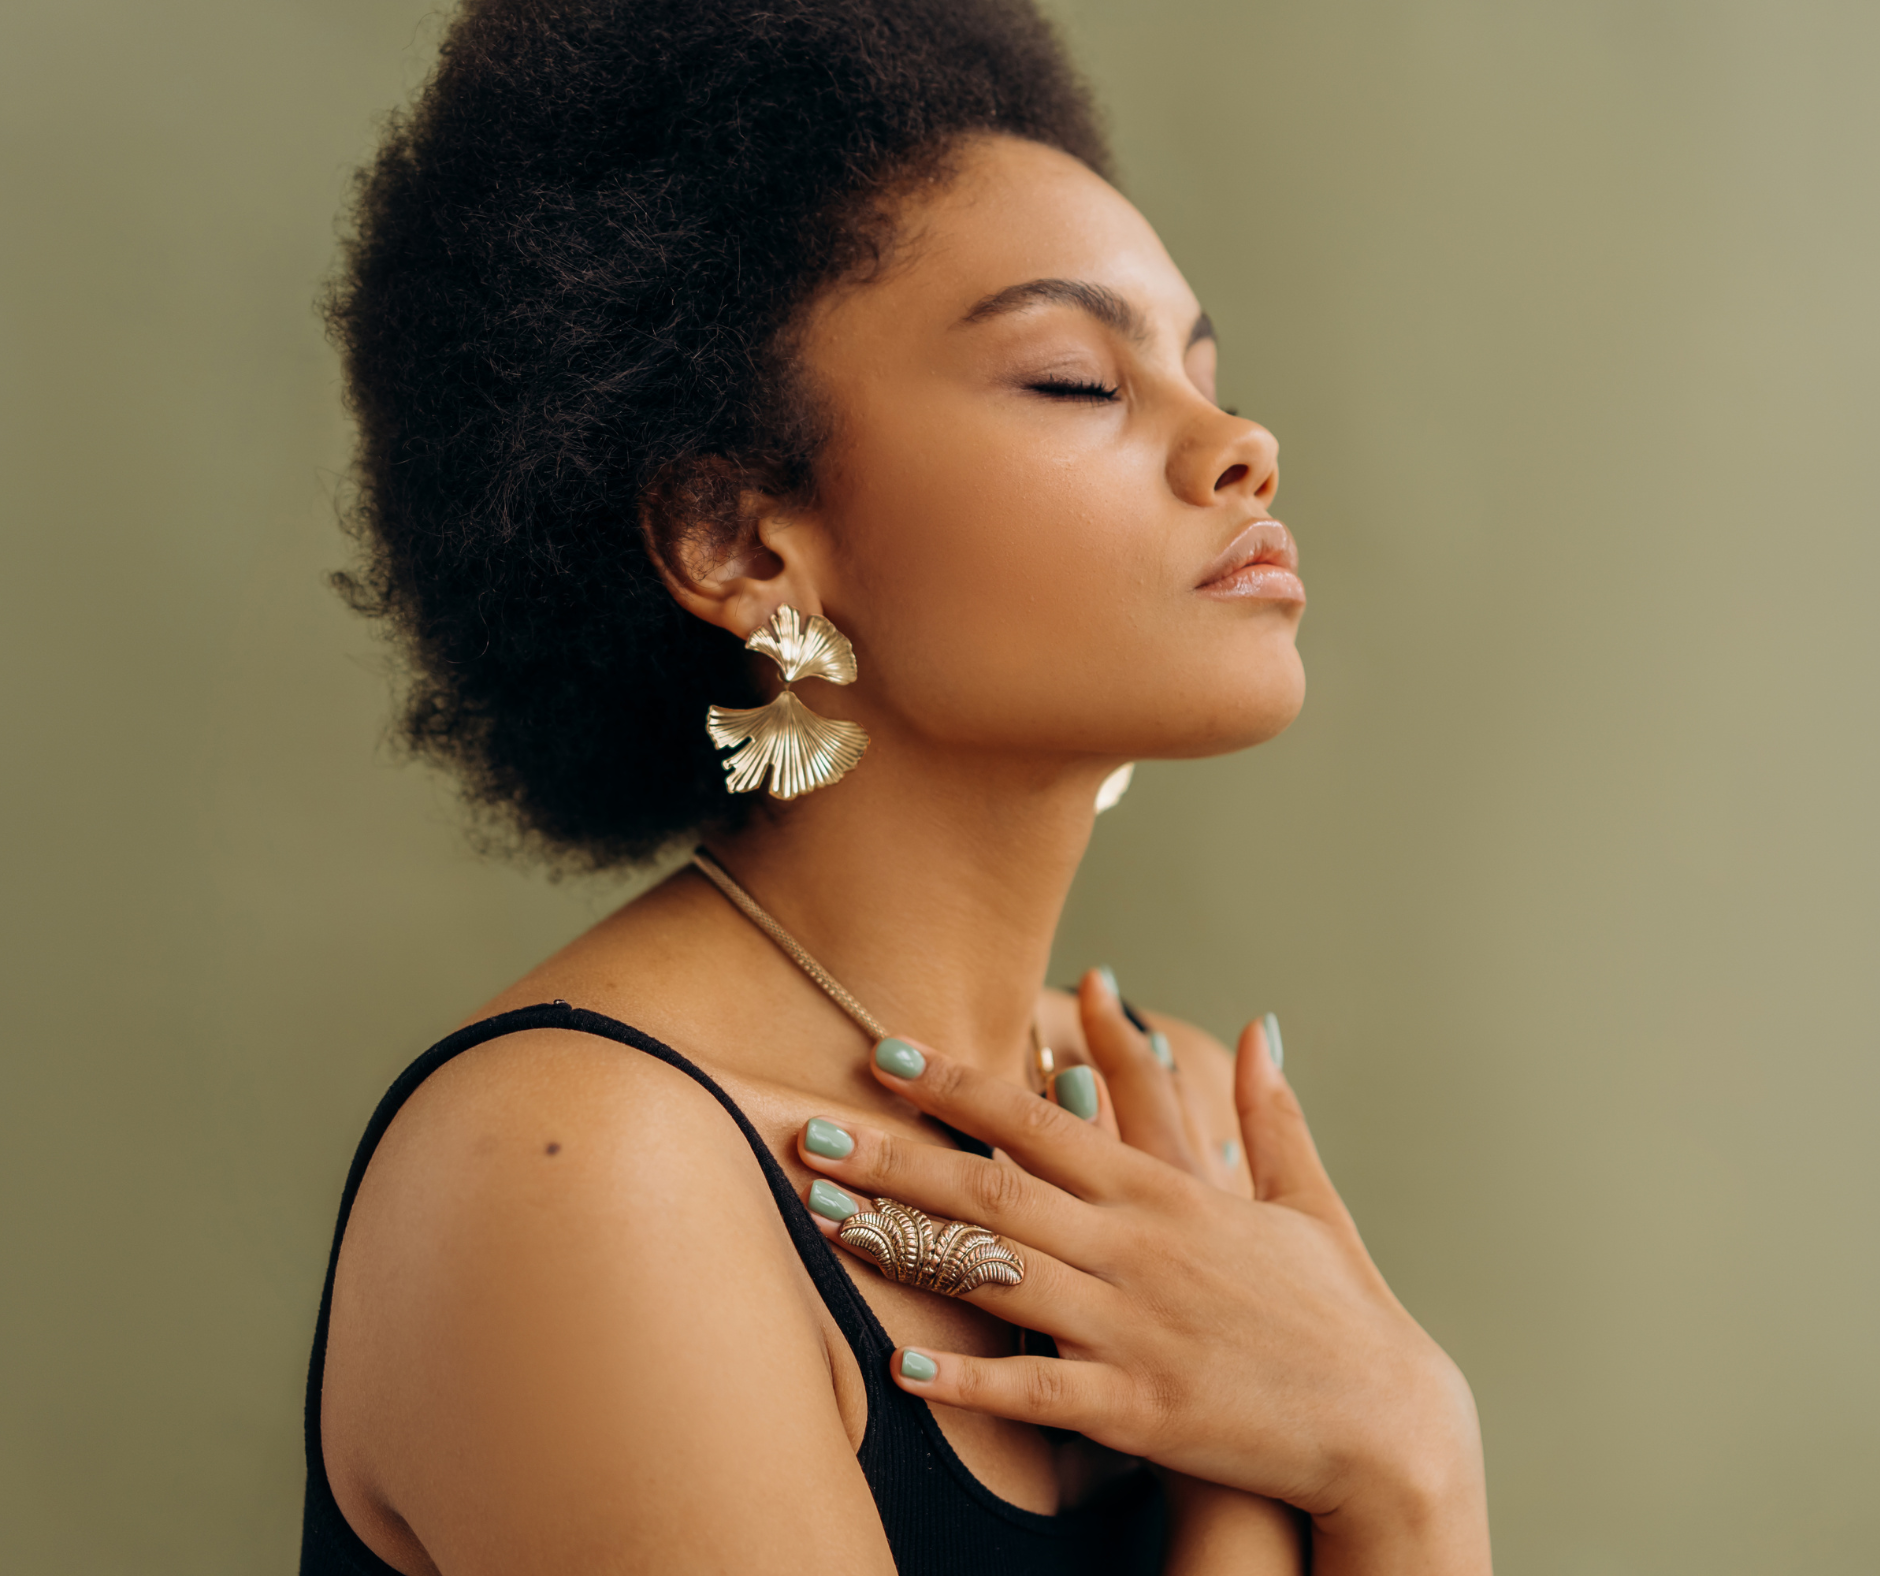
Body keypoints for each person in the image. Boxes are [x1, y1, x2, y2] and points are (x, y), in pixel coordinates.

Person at [302, 2, 1492, 1571]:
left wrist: (1406, 1454)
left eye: (1205, 371)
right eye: (1076, 379)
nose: (1239, 445)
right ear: (739, 541)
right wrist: (1335, 1464)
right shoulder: (584, 1176)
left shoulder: (1169, 1114)